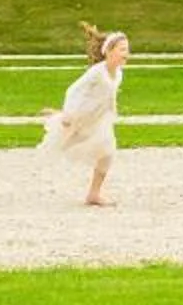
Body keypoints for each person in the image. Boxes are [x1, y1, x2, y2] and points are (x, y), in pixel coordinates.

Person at [38, 26, 130, 207]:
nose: (127, 53)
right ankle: (58, 116)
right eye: (122, 49)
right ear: (109, 52)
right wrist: (67, 114)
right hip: (81, 115)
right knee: (65, 140)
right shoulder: (97, 72)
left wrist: (113, 112)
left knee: (108, 152)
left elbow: (110, 96)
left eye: (127, 49)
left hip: (99, 119)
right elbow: (73, 91)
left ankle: (93, 194)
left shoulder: (118, 74)